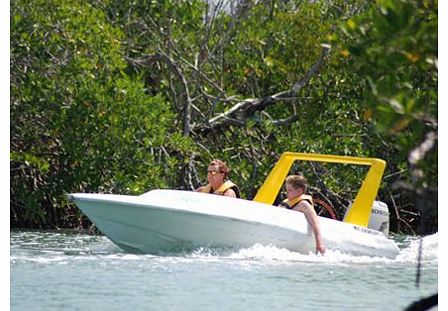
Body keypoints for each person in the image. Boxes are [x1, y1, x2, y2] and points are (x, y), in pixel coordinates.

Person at [279, 174, 326, 254]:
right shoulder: (287, 202)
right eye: (286, 190)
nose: (286, 193)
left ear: (299, 191)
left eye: (289, 190)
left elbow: (315, 222)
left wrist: (319, 243)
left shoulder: (303, 204)